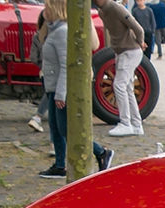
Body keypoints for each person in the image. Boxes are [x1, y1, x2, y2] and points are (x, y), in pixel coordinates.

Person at [38, 0, 115, 179]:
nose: (44, 11)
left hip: (60, 86)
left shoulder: (62, 31)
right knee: (56, 127)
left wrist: (60, 93)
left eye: (47, 8)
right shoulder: (54, 29)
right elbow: (41, 38)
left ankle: (100, 151)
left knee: (65, 127)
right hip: (53, 84)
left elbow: (66, 64)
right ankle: (59, 164)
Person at [93, 0, 146, 135]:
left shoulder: (115, 8)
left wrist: (140, 42)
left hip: (129, 51)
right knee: (127, 87)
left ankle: (125, 123)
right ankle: (136, 124)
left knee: (119, 85)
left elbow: (138, 28)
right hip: (122, 52)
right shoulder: (103, 11)